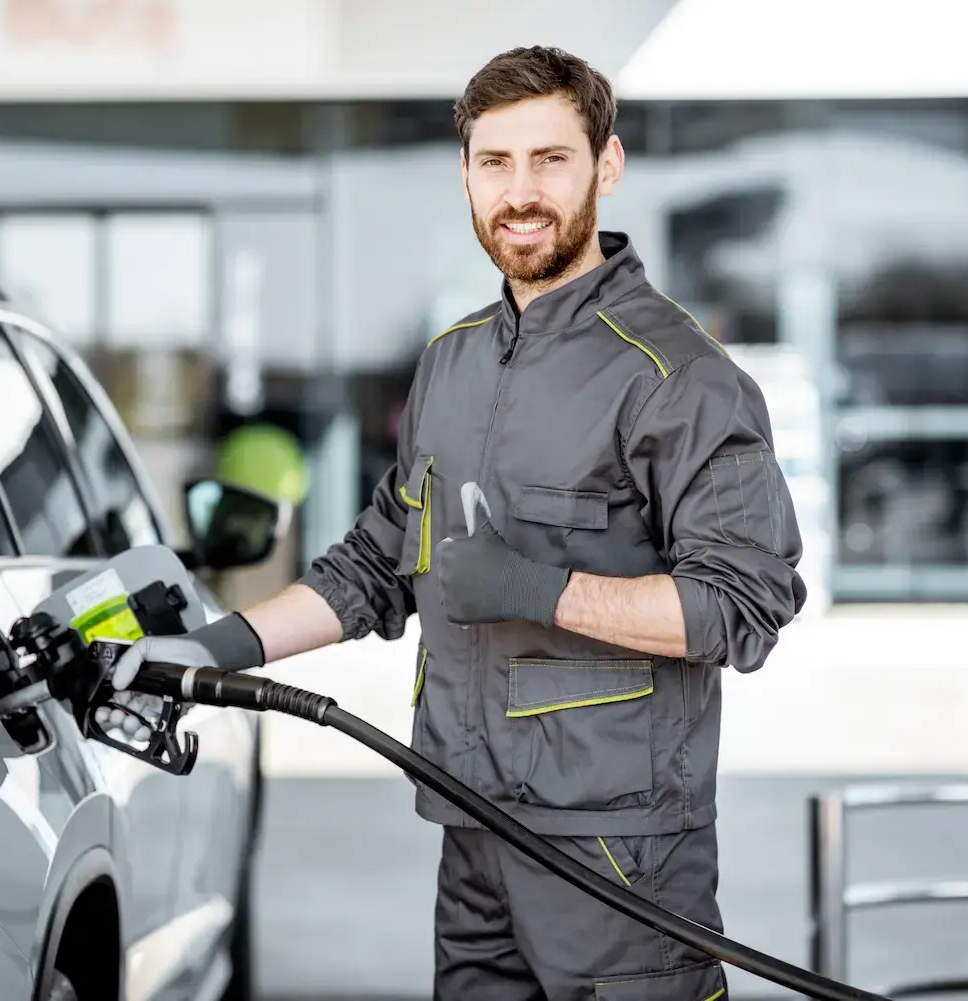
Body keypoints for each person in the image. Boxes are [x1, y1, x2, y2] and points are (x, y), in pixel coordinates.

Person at [112, 45, 805, 1000]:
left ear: (607, 165)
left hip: (616, 850)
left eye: (550, 159)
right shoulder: (452, 361)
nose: (521, 192)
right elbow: (374, 564)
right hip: (472, 826)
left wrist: (536, 589)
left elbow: (744, 604)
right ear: (467, 177)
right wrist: (209, 649)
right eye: (495, 162)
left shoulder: (677, 377)